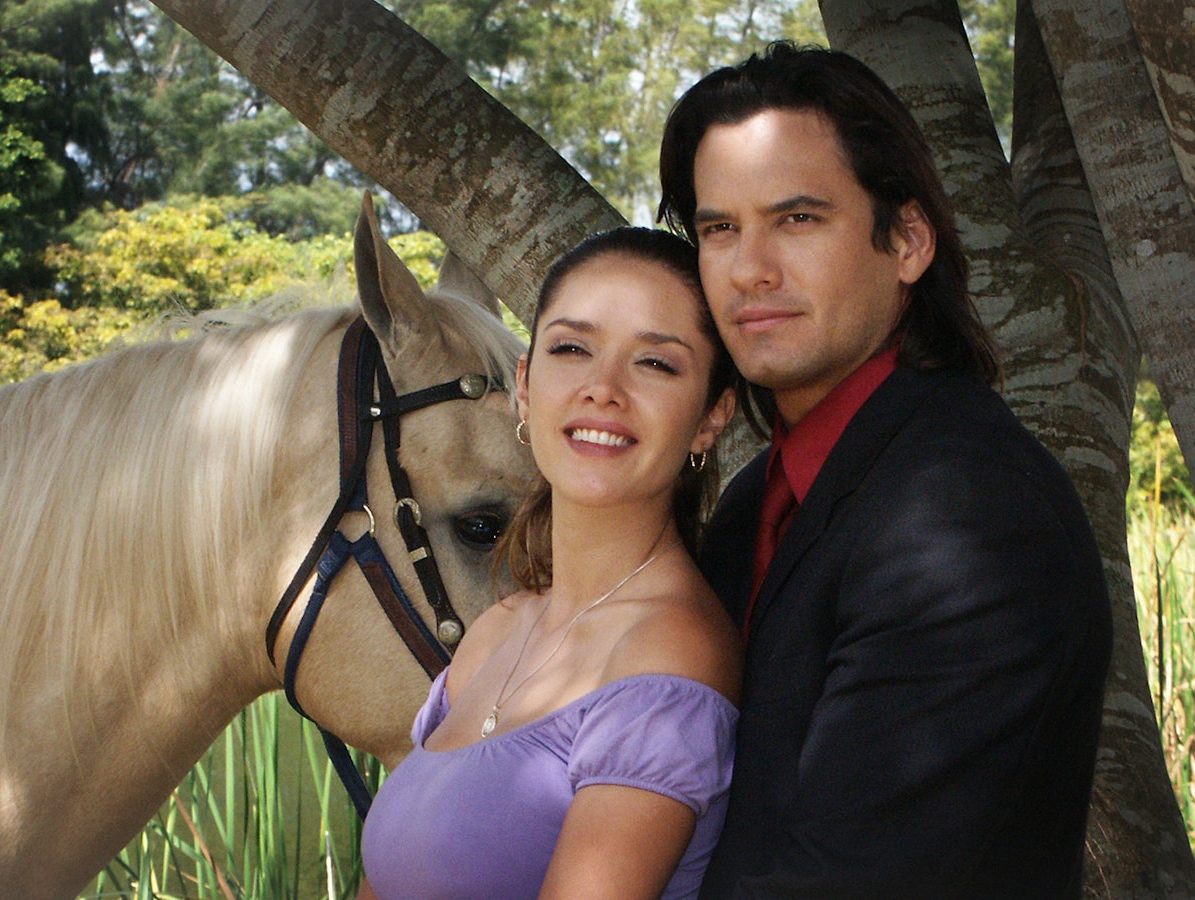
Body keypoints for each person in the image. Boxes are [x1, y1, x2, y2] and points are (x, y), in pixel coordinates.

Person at [655, 41, 1113, 897]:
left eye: (798, 219)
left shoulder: (972, 514)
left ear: (906, 241)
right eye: (720, 229)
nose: (750, 270)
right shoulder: (756, 502)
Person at [359, 227, 742, 899]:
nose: (603, 388)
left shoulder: (665, 654)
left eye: (655, 363)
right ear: (526, 386)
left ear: (712, 416)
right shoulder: (495, 632)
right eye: (571, 348)